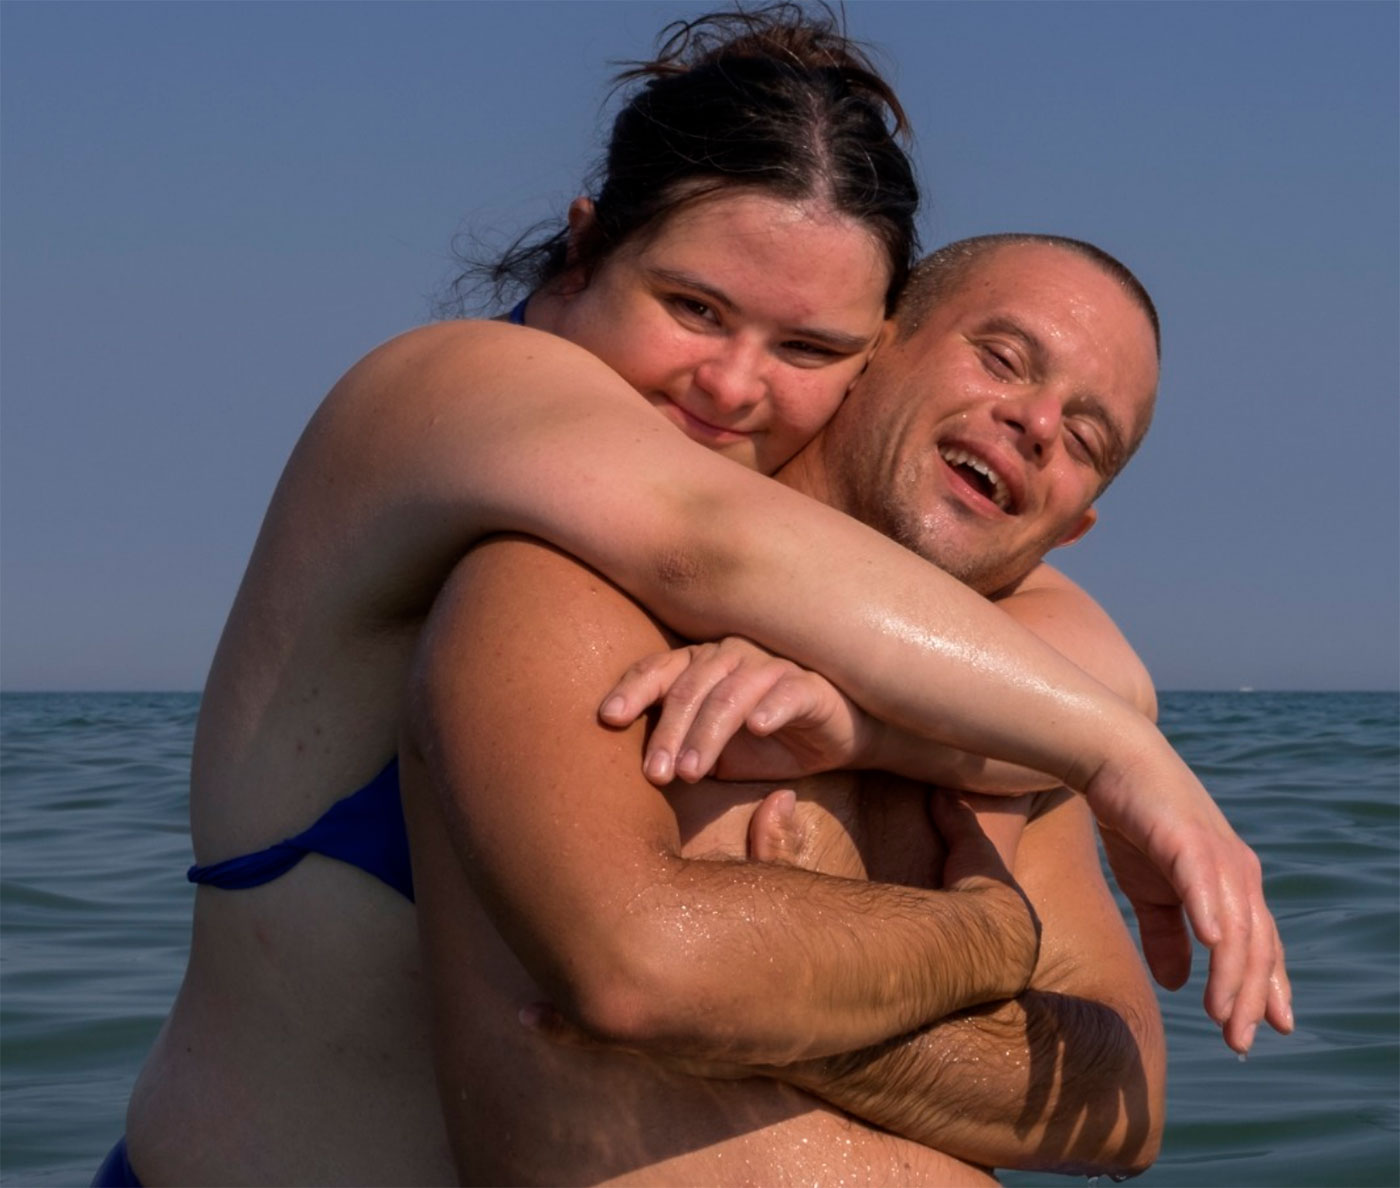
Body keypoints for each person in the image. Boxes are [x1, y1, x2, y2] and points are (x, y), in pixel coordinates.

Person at [102, 6, 1285, 1185]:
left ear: (864, 356)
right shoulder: (462, 400)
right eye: (692, 307)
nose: (730, 385)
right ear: (582, 248)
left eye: (805, 349)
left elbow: (1058, 645)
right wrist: (1056, 844)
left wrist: (887, 734)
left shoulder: (844, 584)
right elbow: (700, 540)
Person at [400, 236, 1175, 1183]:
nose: (1040, 423)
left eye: (1087, 441)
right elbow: (642, 974)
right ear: (869, 352)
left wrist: (780, 1012)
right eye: (1003, 359)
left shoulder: (1006, 740)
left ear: (1072, 526)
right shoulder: (574, 588)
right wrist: (988, 940)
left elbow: (1119, 1100)